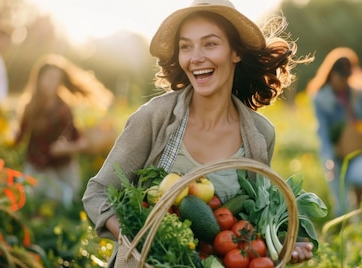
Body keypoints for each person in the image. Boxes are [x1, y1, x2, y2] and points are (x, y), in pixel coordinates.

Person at [82, 0, 314, 265]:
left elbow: (253, 219)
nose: (195, 57)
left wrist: (284, 244)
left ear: (235, 52)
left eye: (210, 43)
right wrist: (139, 240)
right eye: (186, 46)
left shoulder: (260, 134)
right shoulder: (154, 118)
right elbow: (97, 193)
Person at [14, 54, 113, 208]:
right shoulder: (29, 107)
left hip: (62, 164)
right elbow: (18, 137)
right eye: (48, 78)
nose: (52, 83)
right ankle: (35, 185)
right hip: (38, 164)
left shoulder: (63, 109)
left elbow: (78, 140)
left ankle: (47, 189)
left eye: (56, 79)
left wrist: (67, 148)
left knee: (70, 195)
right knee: (44, 193)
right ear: (39, 79)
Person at [307, 47, 362, 218]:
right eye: (340, 78)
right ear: (331, 74)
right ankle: (343, 232)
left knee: (359, 177)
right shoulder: (321, 98)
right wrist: (329, 158)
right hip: (334, 150)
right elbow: (322, 130)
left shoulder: (356, 94)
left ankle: (360, 213)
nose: (343, 82)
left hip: (358, 147)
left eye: (347, 78)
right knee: (341, 201)